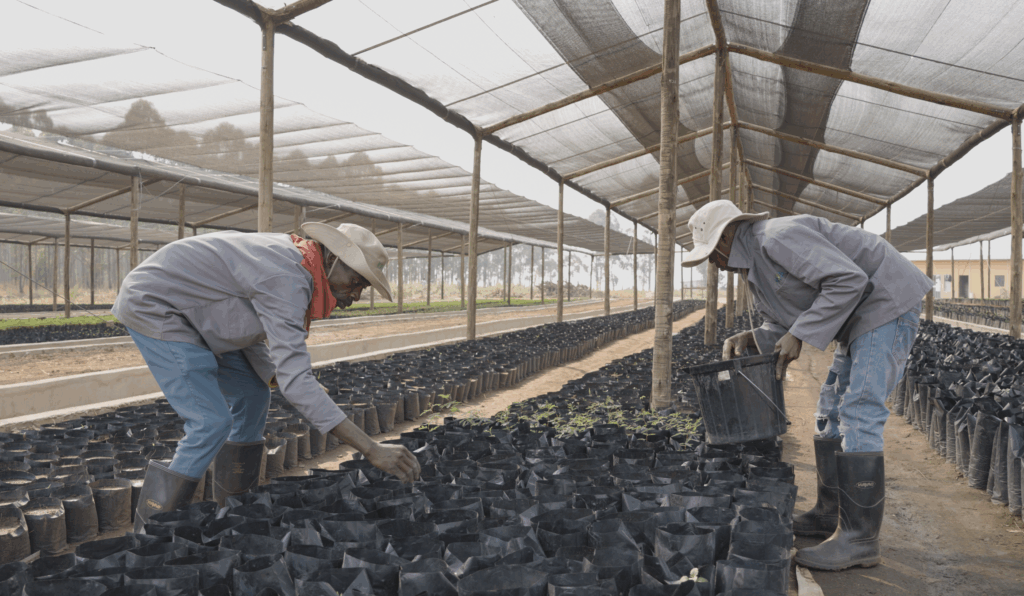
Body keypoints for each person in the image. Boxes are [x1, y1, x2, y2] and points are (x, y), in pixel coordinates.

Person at [114, 222, 421, 529]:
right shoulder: (288, 276)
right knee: (210, 422)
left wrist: (277, 378)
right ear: (331, 260)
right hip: (158, 303)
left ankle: (234, 510)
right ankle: (152, 532)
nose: (354, 294)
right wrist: (371, 448)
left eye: (362, 288)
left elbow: (248, 325)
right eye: (355, 280)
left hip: (202, 313)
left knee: (253, 393)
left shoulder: (298, 265)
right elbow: (296, 381)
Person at [682, 200, 931, 571]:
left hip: (886, 302)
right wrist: (754, 337)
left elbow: (849, 280)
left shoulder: (777, 238)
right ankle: (830, 513)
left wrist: (799, 334)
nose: (715, 264)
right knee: (829, 410)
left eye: (713, 254)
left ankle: (860, 539)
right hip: (859, 316)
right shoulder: (756, 272)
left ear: (727, 236)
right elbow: (784, 320)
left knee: (860, 407)